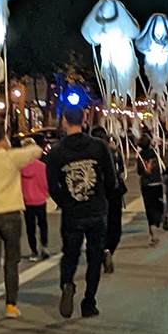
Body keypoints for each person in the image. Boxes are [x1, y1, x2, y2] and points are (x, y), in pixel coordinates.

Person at [46, 105, 115, 318]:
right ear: (84, 120)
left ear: (64, 121)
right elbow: (111, 178)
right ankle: (89, 302)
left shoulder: (57, 152)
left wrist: (65, 201)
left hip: (73, 212)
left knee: (70, 254)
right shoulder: (98, 147)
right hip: (96, 209)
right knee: (94, 257)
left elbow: (52, 185)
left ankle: (67, 283)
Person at [0, 120, 43, 323]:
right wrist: (19, 145)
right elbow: (36, 151)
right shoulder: (12, 157)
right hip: (11, 213)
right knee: (12, 261)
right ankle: (11, 305)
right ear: (4, 137)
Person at [90, 126, 126, 273]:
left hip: (97, 192)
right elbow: (120, 169)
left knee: (98, 226)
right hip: (114, 192)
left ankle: (101, 250)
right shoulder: (113, 150)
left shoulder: (90, 152)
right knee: (115, 224)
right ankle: (109, 249)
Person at [20, 137, 50, 262]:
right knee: (43, 224)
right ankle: (44, 246)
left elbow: (19, 185)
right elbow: (45, 183)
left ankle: (33, 250)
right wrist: (46, 194)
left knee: (30, 227)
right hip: (40, 199)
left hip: (27, 201)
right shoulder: (42, 166)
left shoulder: (20, 168)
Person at [136, 134, 165, 244]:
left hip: (146, 184)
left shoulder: (140, 156)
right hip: (157, 182)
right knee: (158, 204)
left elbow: (139, 171)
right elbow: (162, 167)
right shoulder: (156, 153)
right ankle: (158, 221)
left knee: (149, 207)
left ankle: (152, 227)